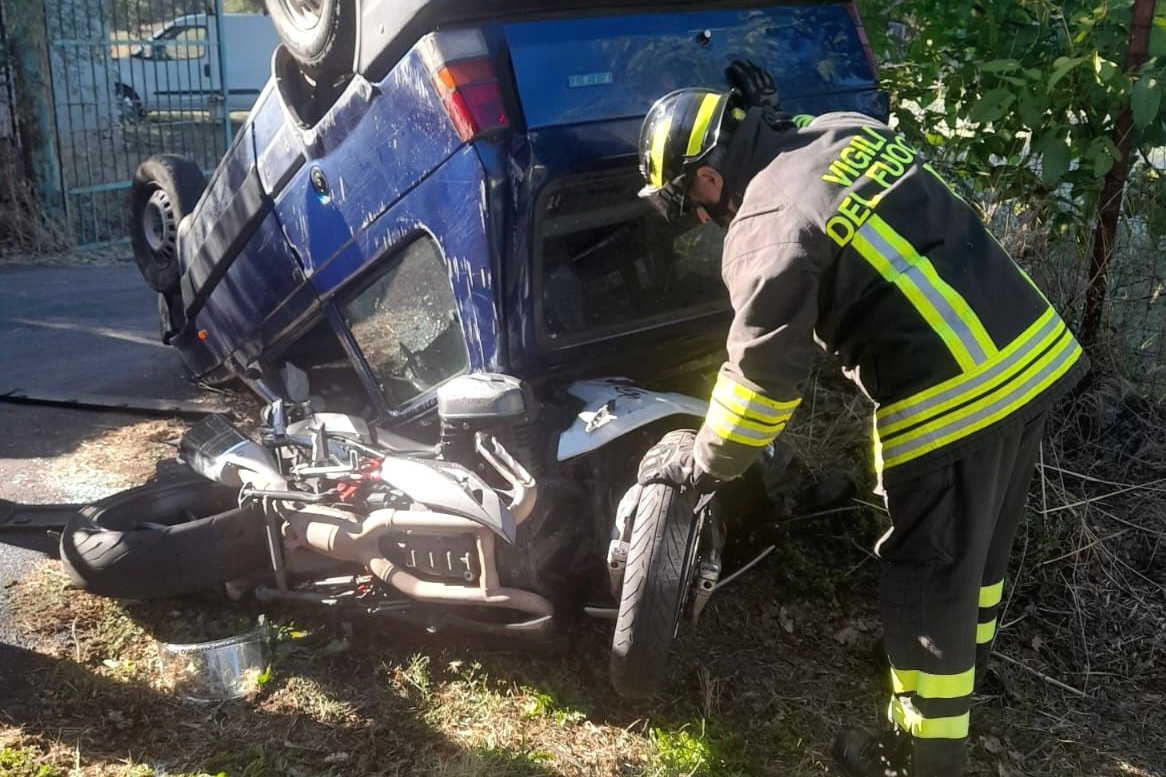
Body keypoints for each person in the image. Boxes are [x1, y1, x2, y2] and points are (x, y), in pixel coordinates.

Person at [633, 62, 1088, 777]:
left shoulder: (762, 233)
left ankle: (921, 752)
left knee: (928, 578)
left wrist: (698, 461)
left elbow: (759, 389)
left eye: (684, 200)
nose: (694, 217)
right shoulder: (844, 132)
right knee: (979, 553)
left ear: (708, 179)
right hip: (1030, 353)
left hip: (955, 403)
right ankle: (969, 673)